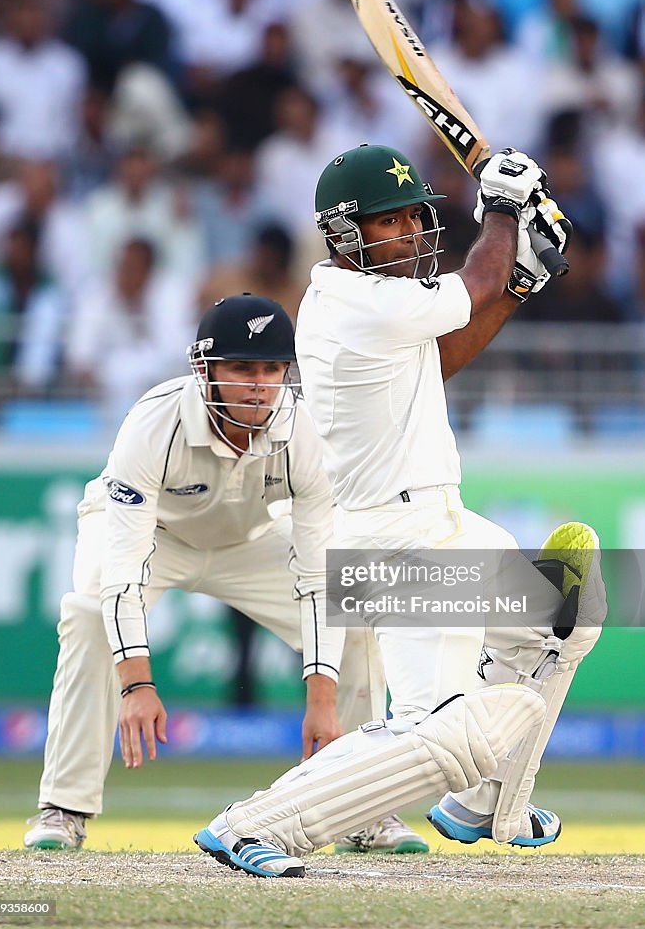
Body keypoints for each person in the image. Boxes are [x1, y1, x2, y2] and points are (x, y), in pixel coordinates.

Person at [194, 145, 607, 877]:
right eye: (391, 222)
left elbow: (443, 353)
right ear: (344, 234)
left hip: (439, 524)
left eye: (417, 216)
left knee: (565, 619)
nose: (414, 233)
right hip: (395, 541)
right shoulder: (356, 301)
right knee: (435, 732)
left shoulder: (384, 306)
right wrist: (506, 211)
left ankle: (484, 805)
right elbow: (472, 281)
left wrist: (514, 283)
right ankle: (254, 823)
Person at [24, 293, 426, 855]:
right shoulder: (154, 421)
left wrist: (321, 701)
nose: (259, 386)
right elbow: (122, 572)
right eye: (242, 368)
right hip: (155, 537)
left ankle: (363, 814)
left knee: (352, 617)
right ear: (205, 370)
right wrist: (137, 685)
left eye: (270, 369)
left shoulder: (304, 435)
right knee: (91, 613)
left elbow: (319, 579)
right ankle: (63, 808)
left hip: (249, 541)